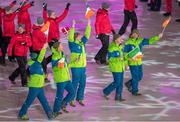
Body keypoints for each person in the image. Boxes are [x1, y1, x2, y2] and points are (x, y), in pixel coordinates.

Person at [18, 43, 54, 120]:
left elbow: (39, 74)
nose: (39, 58)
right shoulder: (35, 64)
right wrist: (44, 48)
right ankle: (21, 114)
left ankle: (49, 114)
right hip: (34, 87)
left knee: (44, 101)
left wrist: (44, 76)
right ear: (36, 58)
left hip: (39, 87)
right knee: (28, 102)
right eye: (38, 57)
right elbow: (41, 57)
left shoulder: (36, 65)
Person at [123, 29, 163, 96]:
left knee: (140, 77)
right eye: (134, 33)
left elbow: (150, 41)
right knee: (135, 77)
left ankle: (129, 83)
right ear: (131, 34)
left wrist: (158, 37)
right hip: (132, 63)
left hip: (139, 62)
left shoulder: (141, 40)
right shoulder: (128, 43)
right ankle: (134, 91)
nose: (135, 35)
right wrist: (126, 64)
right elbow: (125, 54)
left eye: (136, 34)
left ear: (138, 35)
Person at [68, 19, 91, 107]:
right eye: (79, 36)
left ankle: (80, 98)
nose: (81, 37)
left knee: (83, 83)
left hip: (83, 67)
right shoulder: (72, 44)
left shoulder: (82, 43)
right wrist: (73, 26)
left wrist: (88, 24)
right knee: (75, 83)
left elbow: (87, 35)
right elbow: (70, 37)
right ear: (75, 37)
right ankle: (71, 99)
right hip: (76, 67)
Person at [51, 42, 75, 117]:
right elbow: (55, 68)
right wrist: (59, 65)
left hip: (66, 78)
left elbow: (66, 65)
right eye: (61, 45)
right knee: (59, 96)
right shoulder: (55, 56)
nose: (62, 46)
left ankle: (63, 103)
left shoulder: (62, 54)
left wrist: (74, 63)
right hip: (60, 80)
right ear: (57, 47)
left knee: (72, 93)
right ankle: (55, 111)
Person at [103, 34, 126, 102]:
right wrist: (118, 59)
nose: (121, 40)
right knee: (117, 82)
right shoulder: (111, 48)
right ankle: (106, 91)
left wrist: (126, 63)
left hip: (121, 67)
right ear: (116, 40)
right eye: (120, 39)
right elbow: (110, 59)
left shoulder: (121, 46)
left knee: (120, 83)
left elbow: (123, 57)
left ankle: (118, 97)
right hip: (115, 68)